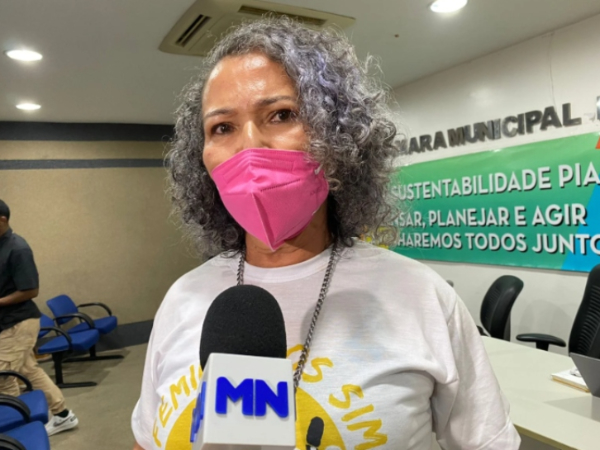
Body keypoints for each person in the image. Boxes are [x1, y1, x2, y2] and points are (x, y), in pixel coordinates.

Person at [132, 18, 520, 450]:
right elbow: (147, 439)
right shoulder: (183, 299)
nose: (250, 146)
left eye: (281, 115)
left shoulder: (420, 296)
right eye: (222, 127)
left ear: (336, 136)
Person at [0, 199, 78, 436]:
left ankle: (13, 433)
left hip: (19, 322)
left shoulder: (17, 248)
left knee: (3, 377)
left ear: (2, 220)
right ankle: (63, 415)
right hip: (8, 322)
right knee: (29, 370)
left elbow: (30, 290)